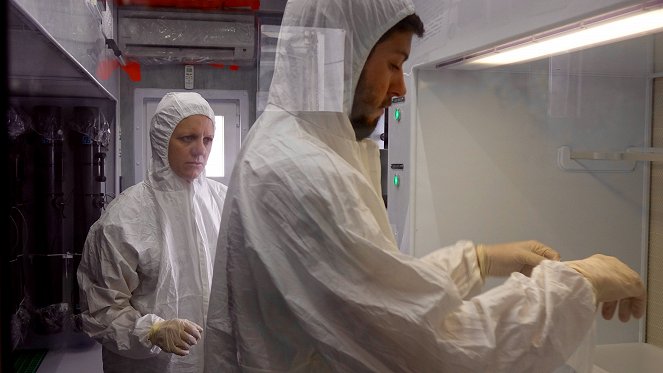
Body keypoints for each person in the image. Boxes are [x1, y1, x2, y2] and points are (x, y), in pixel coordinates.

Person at [204, 1, 646, 372]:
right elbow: (433, 347)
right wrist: (576, 283)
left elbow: (378, 294)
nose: (401, 89)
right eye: (394, 64)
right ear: (344, 59)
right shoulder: (304, 173)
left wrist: (479, 259)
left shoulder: (288, 142)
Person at [77, 92, 227, 373]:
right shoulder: (123, 218)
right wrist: (152, 330)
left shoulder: (223, 203)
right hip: (149, 365)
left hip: (213, 360)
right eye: (187, 138)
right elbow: (102, 309)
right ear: (161, 141)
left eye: (207, 139)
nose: (200, 150)